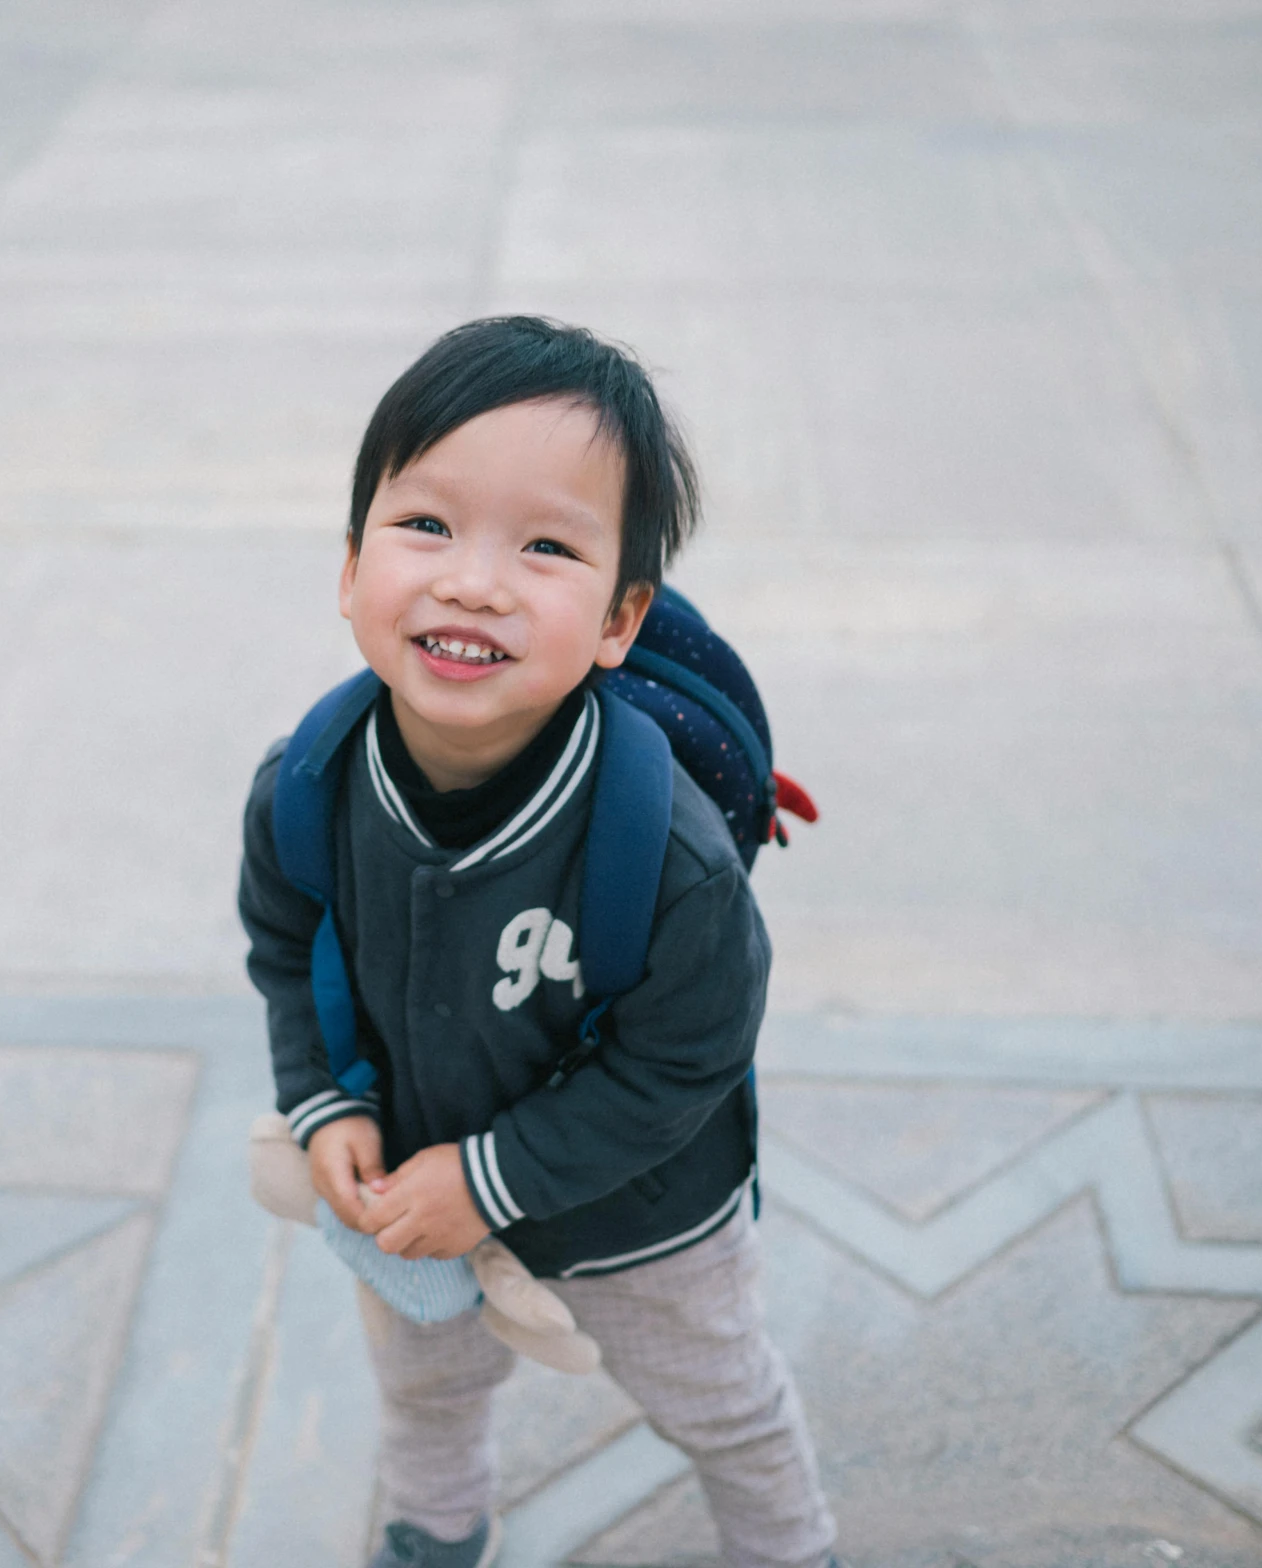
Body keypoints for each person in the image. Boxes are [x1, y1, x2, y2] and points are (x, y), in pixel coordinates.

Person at [237, 317, 839, 1568]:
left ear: (621, 618)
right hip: (403, 1175)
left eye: (547, 546)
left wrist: (492, 1181)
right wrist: (320, 1102)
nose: (473, 580)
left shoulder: (661, 847)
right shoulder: (308, 784)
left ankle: (792, 1548)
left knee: (724, 1405)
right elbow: (288, 944)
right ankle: (436, 1529)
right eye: (425, 526)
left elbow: (687, 1059)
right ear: (350, 568)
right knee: (427, 1383)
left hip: (642, 1213)